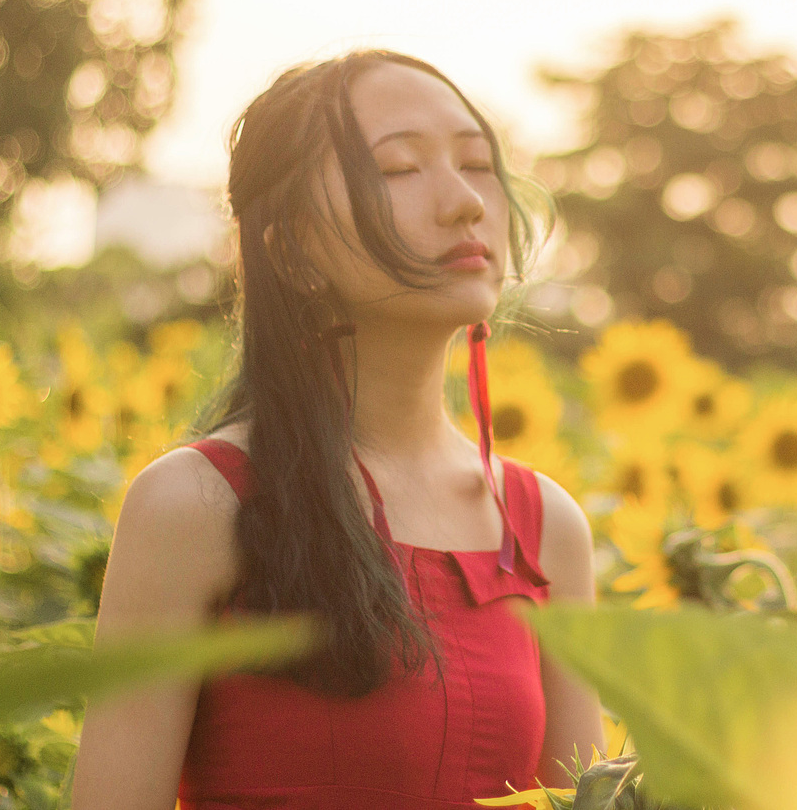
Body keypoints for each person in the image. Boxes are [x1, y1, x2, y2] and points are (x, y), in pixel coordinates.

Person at [72, 49, 606, 810]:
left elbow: (579, 796)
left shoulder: (545, 526)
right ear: (292, 249)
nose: (464, 204)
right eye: (399, 170)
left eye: (477, 162)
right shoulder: (194, 505)